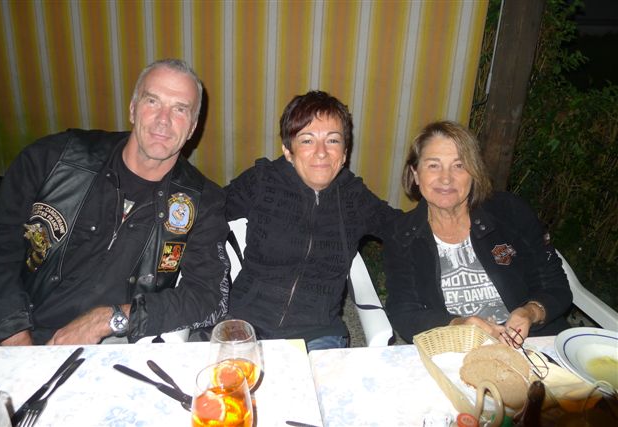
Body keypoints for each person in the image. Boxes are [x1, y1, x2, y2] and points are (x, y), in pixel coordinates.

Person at [0, 59, 230, 346]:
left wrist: (111, 318)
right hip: (9, 329)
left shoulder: (201, 201)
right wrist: (13, 336)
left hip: (110, 348)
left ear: (193, 127)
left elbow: (208, 298)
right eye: (152, 101)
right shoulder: (55, 159)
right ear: (133, 109)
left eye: (180, 109)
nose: (163, 119)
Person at [224, 90, 398, 351]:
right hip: (245, 324)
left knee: (320, 380)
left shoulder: (353, 196)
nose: (321, 153)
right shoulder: (263, 181)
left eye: (333, 140)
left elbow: (403, 229)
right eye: (307, 140)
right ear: (288, 150)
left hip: (318, 333)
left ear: (345, 152)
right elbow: (206, 212)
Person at [383, 120, 572, 344]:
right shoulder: (402, 234)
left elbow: (555, 285)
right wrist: (457, 326)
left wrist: (530, 312)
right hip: (456, 345)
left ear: (474, 173)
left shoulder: (510, 212)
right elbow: (404, 312)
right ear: (415, 174)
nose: (446, 178)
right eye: (433, 165)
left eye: (459, 165)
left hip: (532, 340)